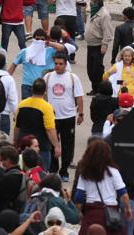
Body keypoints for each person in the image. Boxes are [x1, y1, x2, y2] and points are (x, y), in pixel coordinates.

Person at [73, 139, 131, 235]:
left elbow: (79, 196)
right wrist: (127, 209)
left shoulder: (85, 173)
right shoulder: (113, 172)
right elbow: (123, 194)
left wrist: (79, 212)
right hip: (111, 216)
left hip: (91, 213)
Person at [44, 51, 84, 180]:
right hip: (52, 117)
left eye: (61, 64)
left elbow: (79, 97)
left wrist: (81, 113)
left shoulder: (73, 78)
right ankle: (53, 168)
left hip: (68, 117)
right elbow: (44, 96)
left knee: (68, 145)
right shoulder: (48, 77)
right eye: (56, 63)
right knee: (51, 144)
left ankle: (64, 171)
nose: (58, 66)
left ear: (66, 64)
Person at [15, 78, 61, 171]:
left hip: (24, 145)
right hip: (41, 147)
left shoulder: (22, 104)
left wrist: (15, 142)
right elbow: (50, 129)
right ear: (45, 91)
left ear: (32, 89)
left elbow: (17, 126)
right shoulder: (47, 107)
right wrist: (56, 146)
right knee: (41, 173)